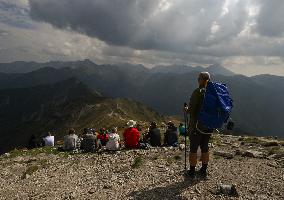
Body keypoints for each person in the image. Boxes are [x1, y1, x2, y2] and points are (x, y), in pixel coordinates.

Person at [186, 72, 212, 178]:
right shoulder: (212, 93)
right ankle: (203, 170)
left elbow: (191, 110)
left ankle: (191, 172)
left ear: (202, 80)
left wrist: (186, 109)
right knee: (205, 147)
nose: (197, 79)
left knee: (193, 148)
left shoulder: (198, 92)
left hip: (197, 125)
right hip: (209, 126)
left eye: (199, 78)